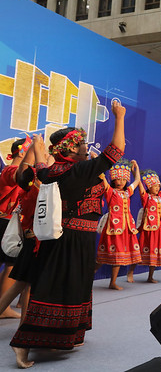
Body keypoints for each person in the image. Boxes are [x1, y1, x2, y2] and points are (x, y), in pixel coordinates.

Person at [10, 101, 126, 368]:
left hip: (76, 240)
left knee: (69, 289)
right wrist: (119, 117)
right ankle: (22, 344)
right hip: (71, 241)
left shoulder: (53, 170)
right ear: (71, 149)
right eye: (82, 144)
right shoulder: (77, 170)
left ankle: (60, 337)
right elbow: (115, 150)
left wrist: (38, 153)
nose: (87, 147)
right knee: (54, 290)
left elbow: (36, 172)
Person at [96, 159, 142, 290]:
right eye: (118, 179)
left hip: (126, 228)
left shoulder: (128, 192)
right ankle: (89, 276)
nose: (121, 182)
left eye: (123, 180)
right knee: (103, 258)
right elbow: (102, 177)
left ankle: (113, 282)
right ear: (113, 180)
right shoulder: (110, 191)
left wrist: (136, 168)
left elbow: (137, 181)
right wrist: (96, 159)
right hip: (113, 227)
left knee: (119, 255)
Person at [0, 136, 31, 320]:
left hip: (8, 221)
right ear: (22, 152)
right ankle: (3, 309)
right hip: (5, 222)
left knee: (10, 266)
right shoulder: (11, 170)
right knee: (11, 265)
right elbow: (21, 175)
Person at [132, 167, 161, 283]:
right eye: (155, 186)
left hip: (160, 228)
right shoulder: (146, 197)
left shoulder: (160, 196)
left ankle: (150, 276)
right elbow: (140, 185)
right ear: (149, 187)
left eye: (158, 186)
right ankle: (130, 272)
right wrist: (135, 171)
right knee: (142, 250)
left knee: (155, 252)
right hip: (148, 228)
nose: (157, 188)